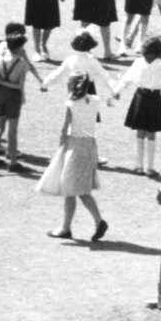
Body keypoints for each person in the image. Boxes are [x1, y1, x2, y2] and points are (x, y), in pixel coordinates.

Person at [38, 74, 109, 242]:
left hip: (75, 146)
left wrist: (60, 149)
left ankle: (68, 227)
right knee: (81, 189)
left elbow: (65, 129)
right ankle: (90, 223)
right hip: (90, 145)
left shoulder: (70, 104)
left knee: (70, 189)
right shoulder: (95, 100)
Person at [113, 37, 161, 176]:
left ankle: (139, 166)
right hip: (154, 98)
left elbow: (127, 78)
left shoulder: (139, 62)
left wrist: (117, 91)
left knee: (140, 131)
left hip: (140, 98)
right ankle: (149, 168)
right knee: (151, 133)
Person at [0, 27, 48, 170]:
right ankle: (13, 162)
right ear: (20, 47)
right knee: (12, 131)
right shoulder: (21, 63)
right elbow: (20, 85)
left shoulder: (0, 60)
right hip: (13, 96)